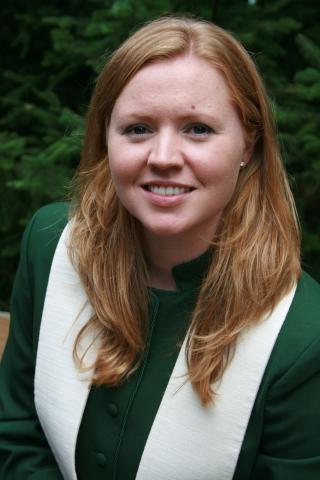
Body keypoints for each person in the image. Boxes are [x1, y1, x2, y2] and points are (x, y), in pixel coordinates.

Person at [0, 15, 319, 480]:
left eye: (198, 129)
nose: (164, 157)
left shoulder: (302, 334)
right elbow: (16, 429)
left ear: (248, 142)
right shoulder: (50, 247)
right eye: (138, 129)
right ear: (105, 137)